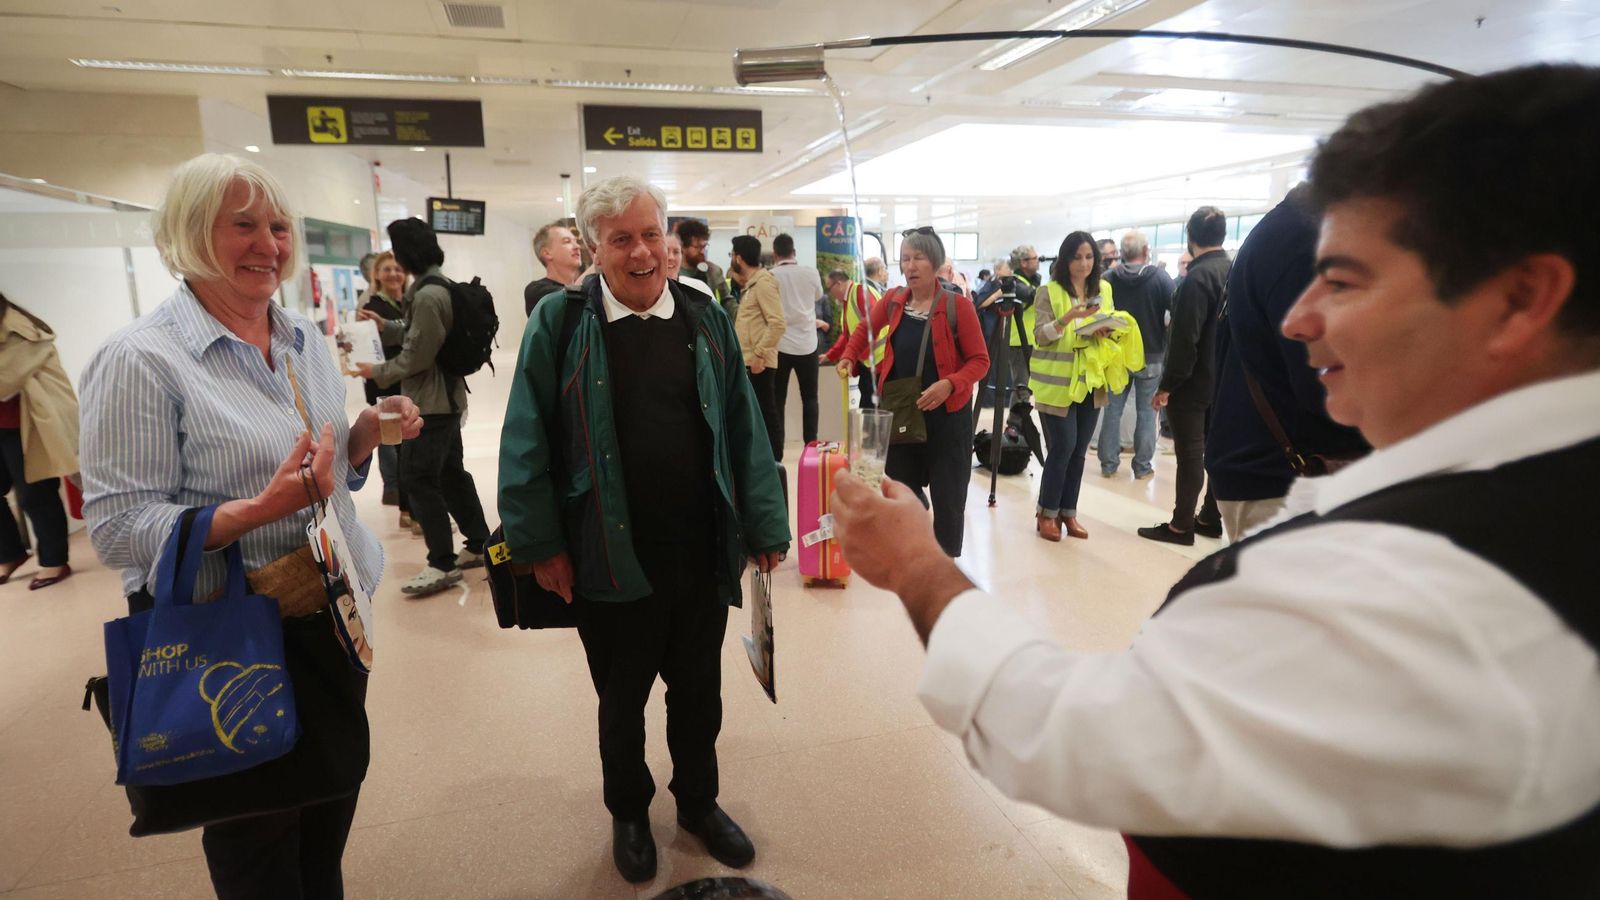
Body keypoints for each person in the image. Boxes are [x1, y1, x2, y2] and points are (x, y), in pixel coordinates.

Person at [832, 63, 1600, 899]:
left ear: (1521, 300)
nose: (1300, 319)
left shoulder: (1412, 587)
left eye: (1343, 279)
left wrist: (915, 564)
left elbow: (1073, 737)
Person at [78, 153, 423, 899]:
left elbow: (324, 474)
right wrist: (258, 511)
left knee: (328, 810)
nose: (268, 244)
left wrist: (361, 435)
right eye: (244, 226)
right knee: (258, 842)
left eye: (278, 226)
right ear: (191, 233)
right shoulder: (140, 360)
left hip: (331, 619)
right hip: (228, 642)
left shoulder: (301, 340)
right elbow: (118, 528)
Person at [498, 175, 790, 884]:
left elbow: (746, 432)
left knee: (699, 694)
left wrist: (764, 521)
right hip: (607, 552)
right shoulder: (562, 324)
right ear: (593, 247)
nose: (641, 251)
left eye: (651, 234)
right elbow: (526, 437)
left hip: (696, 549)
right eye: (621, 238)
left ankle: (698, 802)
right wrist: (540, 546)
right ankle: (629, 811)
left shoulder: (703, 316)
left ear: (669, 239)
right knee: (620, 700)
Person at [1207, 185, 1370, 541]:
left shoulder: (1282, 233)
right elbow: (1320, 386)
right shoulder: (1304, 242)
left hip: (1263, 463)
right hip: (1284, 476)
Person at [354, 218, 491, 595]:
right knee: (450, 474)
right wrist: (388, 326)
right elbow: (419, 332)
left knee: (418, 479)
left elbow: (417, 355)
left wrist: (375, 371)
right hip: (444, 400)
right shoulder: (435, 286)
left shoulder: (428, 294)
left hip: (429, 405)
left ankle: (442, 564)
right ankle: (479, 543)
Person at [836, 228, 988, 557]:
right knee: (901, 483)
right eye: (905, 259)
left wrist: (950, 383)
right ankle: (913, 545)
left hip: (948, 417)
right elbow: (865, 327)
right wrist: (849, 354)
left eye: (918, 258)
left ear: (934, 262)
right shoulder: (893, 300)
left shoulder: (957, 306)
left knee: (949, 497)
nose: (911, 265)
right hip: (905, 411)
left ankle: (944, 563)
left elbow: (980, 361)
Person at [1139, 207, 1229, 545]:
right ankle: (1209, 515)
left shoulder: (1196, 278)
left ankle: (1181, 526)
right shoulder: (1232, 270)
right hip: (1224, 378)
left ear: (1189, 236)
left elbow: (1184, 340)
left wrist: (1167, 386)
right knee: (1216, 451)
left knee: (1190, 453)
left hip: (1193, 382)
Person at [1028, 232, 1126, 542]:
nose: (1083, 264)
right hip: (1056, 383)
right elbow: (1041, 335)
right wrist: (1069, 317)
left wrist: (1105, 331)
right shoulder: (1049, 291)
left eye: (1089, 257)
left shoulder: (1104, 289)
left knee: (1080, 451)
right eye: (1077, 257)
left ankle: (1068, 513)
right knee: (1063, 447)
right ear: (1065, 259)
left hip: (1091, 380)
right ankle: (1047, 513)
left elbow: (1106, 326)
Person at [0, 293, 78, 589]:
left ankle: (53, 561)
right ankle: (9, 554)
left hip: (27, 426)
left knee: (36, 495)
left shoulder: (22, 330)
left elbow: (5, 378)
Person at [1099, 231, 1174, 480]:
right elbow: (1174, 313)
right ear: (1146, 252)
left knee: (1112, 410)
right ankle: (1142, 467)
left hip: (1117, 355)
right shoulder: (1160, 278)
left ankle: (1108, 464)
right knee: (1146, 412)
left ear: (1121, 253)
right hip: (1151, 356)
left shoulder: (1108, 279)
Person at [361, 251, 410, 512]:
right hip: (382, 380)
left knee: (406, 438)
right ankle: (394, 489)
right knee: (389, 438)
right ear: (377, 275)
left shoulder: (411, 302)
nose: (393, 274)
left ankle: (405, 499)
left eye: (398, 269)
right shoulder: (371, 307)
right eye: (387, 269)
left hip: (408, 379)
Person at [730, 234, 786, 461]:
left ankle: (775, 462)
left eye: (733, 255)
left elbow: (778, 323)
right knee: (758, 414)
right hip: (750, 360)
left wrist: (759, 355)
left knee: (766, 412)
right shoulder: (751, 285)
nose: (732, 259)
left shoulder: (763, 283)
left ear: (739, 258)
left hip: (758, 363)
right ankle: (766, 460)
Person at [770, 233, 825, 452]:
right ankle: (810, 446)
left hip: (781, 345)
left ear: (775, 254)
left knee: (777, 400)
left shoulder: (771, 276)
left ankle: (777, 450)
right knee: (810, 398)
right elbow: (817, 296)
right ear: (794, 251)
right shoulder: (811, 273)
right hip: (807, 344)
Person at [822, 268, 883, 410]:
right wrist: (831, 355)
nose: (830, 293)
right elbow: (847, 336)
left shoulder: (860, 292)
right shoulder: (849, 300)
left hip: (879, 362)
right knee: (868, 407)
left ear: (839, 284)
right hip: (869, 364)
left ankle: (872, 433)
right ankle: (869, 432)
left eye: (830, 288)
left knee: (874, 409)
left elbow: (874, 325)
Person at [523, 220, 583, 316]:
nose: (577, 246)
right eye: (567, 241)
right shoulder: (536, 291)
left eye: (575, 241)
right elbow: (572, 297)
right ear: (547, 253)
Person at [674, 219, 729, 307]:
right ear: (683, 247)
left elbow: (727, 300)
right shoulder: (673, 272)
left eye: (704, 246)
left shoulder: (713, 270)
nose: (702, 251)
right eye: (697, 247)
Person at [665, 232, 713, 297]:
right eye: (666, 251)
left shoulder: (699, 288)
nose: (671, 257)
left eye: (676, 252)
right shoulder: (648, 291)